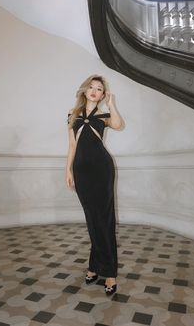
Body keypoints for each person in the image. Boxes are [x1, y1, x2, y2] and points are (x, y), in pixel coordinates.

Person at [65, 74, 123, 295]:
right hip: (82, 171)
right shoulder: (73, 114)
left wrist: (112, 103)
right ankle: (95, 265)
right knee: (92, 219)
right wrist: (68, 170)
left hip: (102, 169)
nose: (94, 90)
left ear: (102, 95)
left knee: (105, 218)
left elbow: (118, 125)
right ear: (84, 90)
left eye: (99, 89)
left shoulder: (104, 113)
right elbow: (71, 146)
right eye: (92, 87)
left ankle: (109, 272)